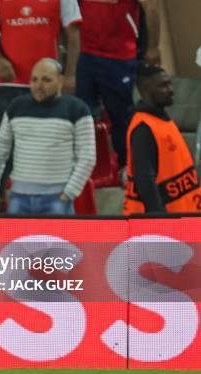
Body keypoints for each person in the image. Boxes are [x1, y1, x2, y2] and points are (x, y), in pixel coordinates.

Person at [0, 0, 82, 199]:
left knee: (48, 146)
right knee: (3, 148)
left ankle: (50, 202)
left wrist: (69, 74)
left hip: (47, 84)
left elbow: (73, 33)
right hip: (9, 84)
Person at [0, 58, 95, 215]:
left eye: (46, 80)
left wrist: (68, 193)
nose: (38, 86)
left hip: (57, 198)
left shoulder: (78, 110)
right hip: (18, 197)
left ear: (61, 81)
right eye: (34, 79)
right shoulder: (16, 107)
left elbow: (87, 156)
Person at [76, 0, 161, 168]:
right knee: (83, 117)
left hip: (119, 56)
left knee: (123, 116)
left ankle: (129, 166)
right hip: (85, 55)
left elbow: (151, 7)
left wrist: (152, 47)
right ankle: (90, 169)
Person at [123, 64, 201, 215]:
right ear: (146, 90)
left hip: (185, 215)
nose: (171, 90)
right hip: (163, 225)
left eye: (170, 83)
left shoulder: (161, 119)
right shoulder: (143, 127)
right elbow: (145, 179)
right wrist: (160, 220)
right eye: (163, 86)